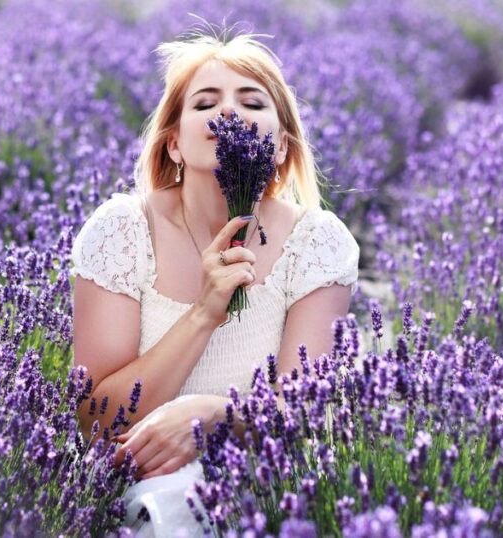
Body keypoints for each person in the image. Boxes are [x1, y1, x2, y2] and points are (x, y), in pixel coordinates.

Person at [69, 25, 360, 537]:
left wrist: (215, 416)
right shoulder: (122, 231)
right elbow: (96, 422)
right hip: (135, 484)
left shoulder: (317, 241)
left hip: (262, 478)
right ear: (174, 144)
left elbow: (305, 414)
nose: (229, 112)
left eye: (252, 102)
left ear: (280, 148)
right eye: (205, 103)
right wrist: (204, 313)